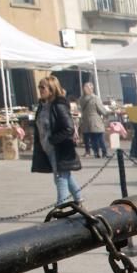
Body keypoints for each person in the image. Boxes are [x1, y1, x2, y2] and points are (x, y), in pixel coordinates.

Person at [31, 76, 82, 207]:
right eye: (39, 87)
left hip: (60, 148)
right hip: (47, 147)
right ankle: (79, 200)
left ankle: (61, 207)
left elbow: (69, 128)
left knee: (60, 178)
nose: (40, 90)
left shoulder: (58, 105)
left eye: (43, 87)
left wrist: (53, 140)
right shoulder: (42, 106)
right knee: (66, 176)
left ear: (52, 89)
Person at [78, 82, 108, 159]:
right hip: (95, 120)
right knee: (100, 137)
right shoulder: (95, 98)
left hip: (85, 121)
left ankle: (96, 153)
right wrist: (107, 113)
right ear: (91, 89)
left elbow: (80, 109)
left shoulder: (81, 99)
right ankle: (104, 153)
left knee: (92, 138)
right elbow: (101, 109)